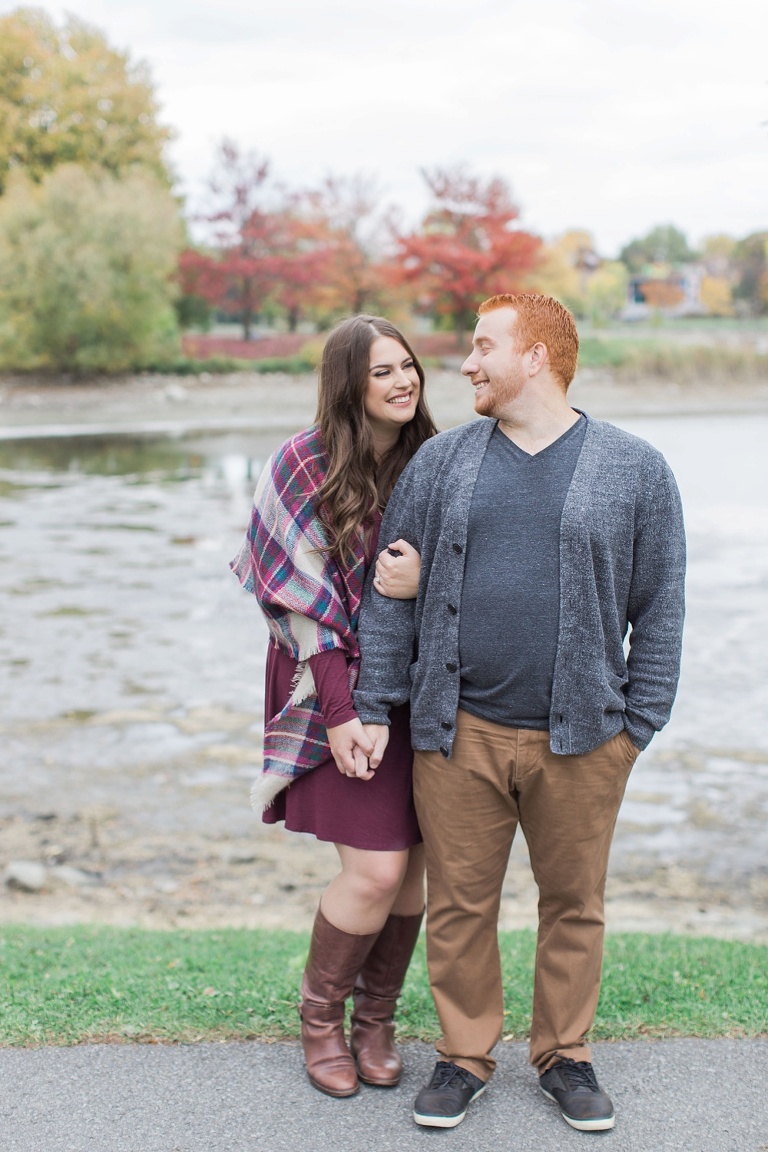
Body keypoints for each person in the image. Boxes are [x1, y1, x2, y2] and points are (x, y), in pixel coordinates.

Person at [354, 293, 686, 1132]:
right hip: (456, 732)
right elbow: (391, 589)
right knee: (460, 904)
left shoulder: (636, 469)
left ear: (535, 356)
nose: (466, 363)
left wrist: (637, 727)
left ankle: (564, 1055)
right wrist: (377, 704)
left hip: (585, 738)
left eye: (483, 347)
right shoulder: (442, 463)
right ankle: (464, 1056)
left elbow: (661, 606)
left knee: (574, 903)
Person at [230, 315, 437, 1099]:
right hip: (328, 679)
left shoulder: (433, 458)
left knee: (413, 868)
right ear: (349, 385)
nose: (402, 381)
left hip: (418, 682)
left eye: (407, 366)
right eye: (382, 371)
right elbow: (295, 597)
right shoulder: (301, 463)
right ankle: (321, 1021)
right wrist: (344, 711)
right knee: (375, 870)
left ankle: (375, 1022)